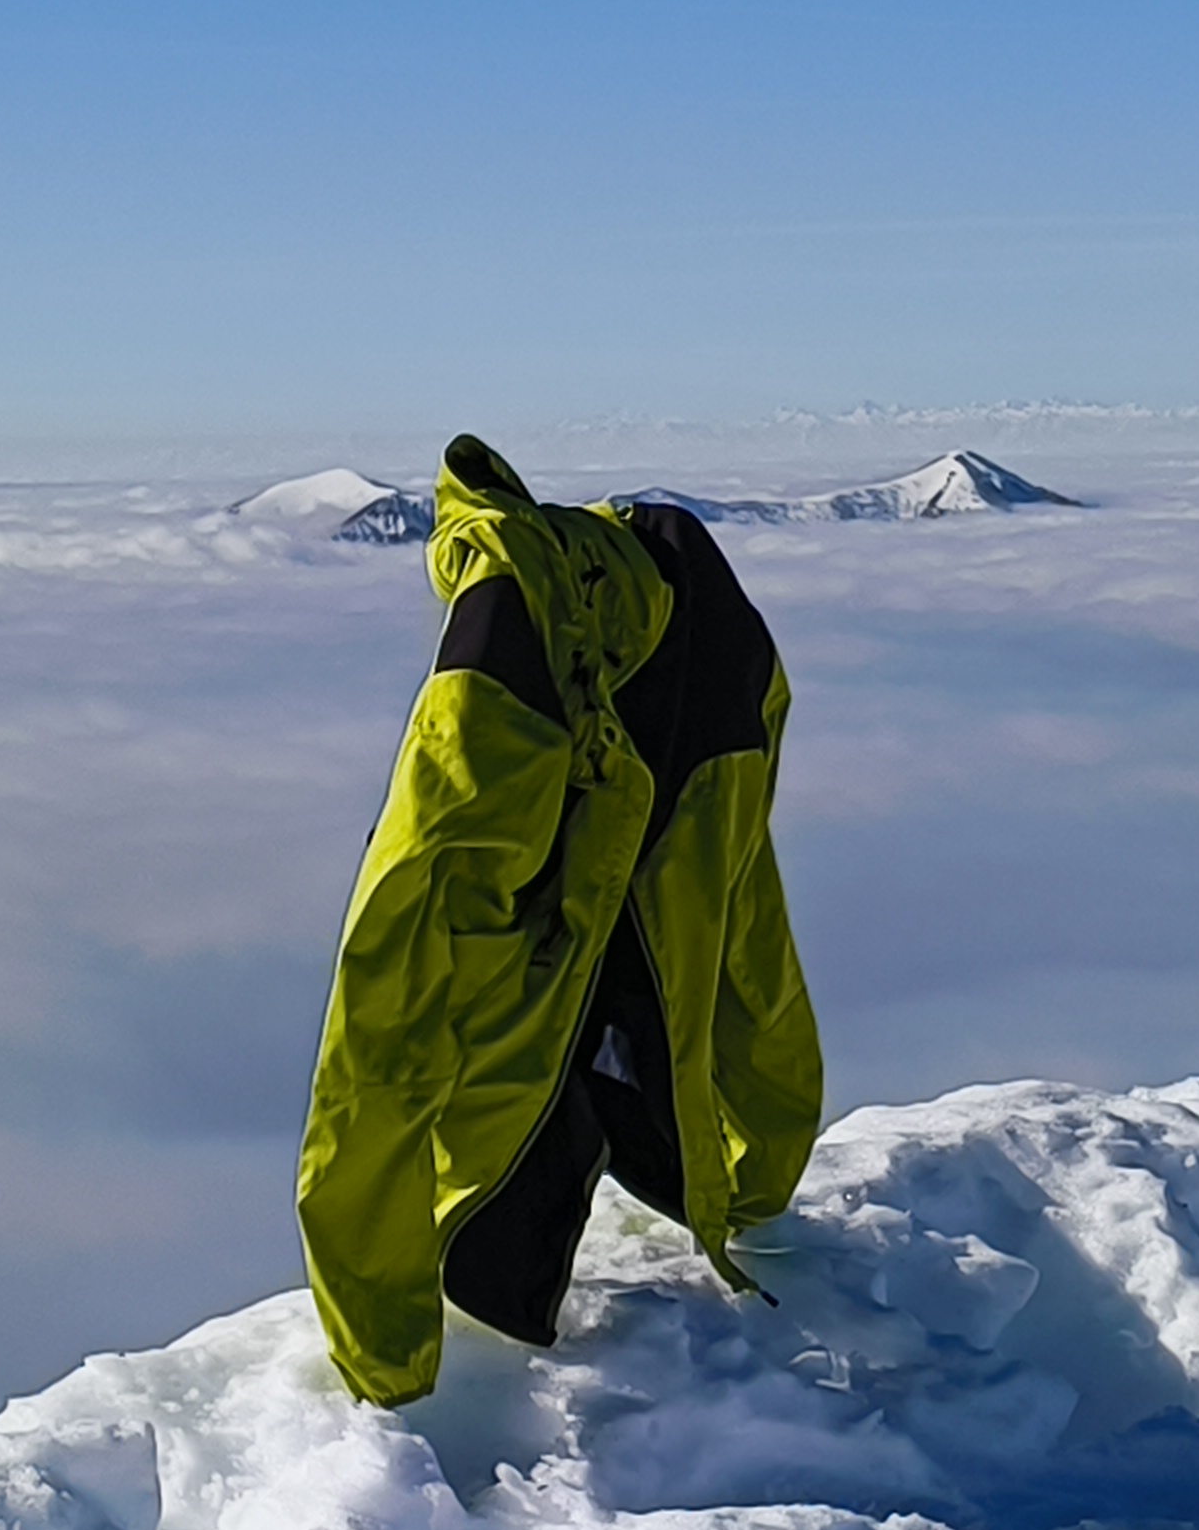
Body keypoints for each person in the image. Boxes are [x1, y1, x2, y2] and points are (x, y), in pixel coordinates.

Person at [296, 434, 824, 1403]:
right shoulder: (715, 648)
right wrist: (759, 1172)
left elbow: (387, 1015)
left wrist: (384, 1355)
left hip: (514, 1130)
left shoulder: (491, 695)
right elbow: (744, 932)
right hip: (596, 1097)